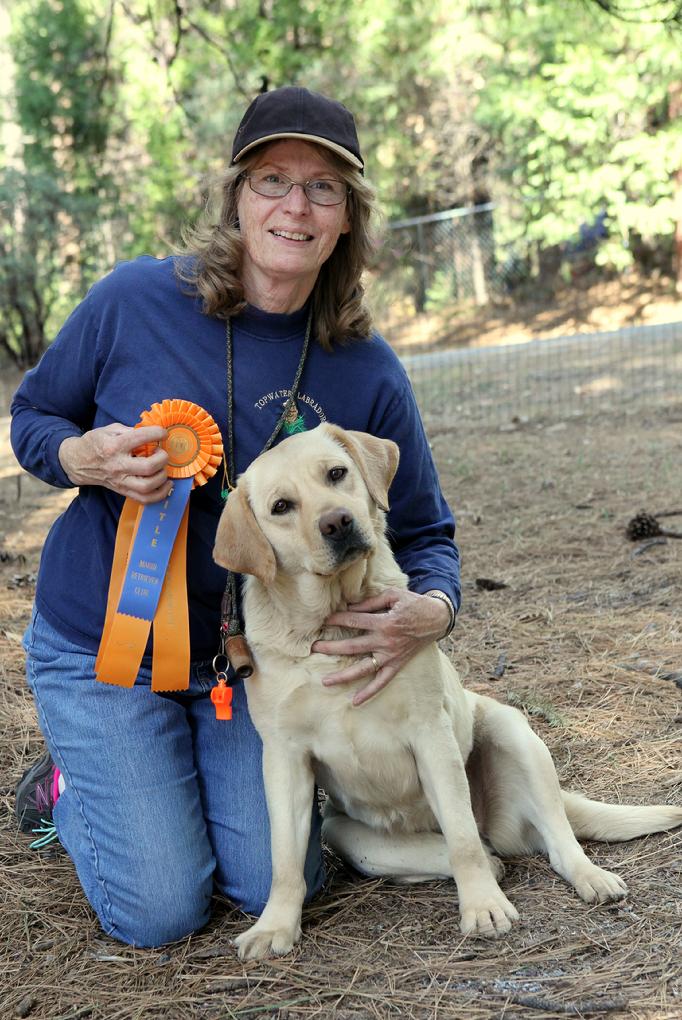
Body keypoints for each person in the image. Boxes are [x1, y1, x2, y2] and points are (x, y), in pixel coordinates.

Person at [11, 86, 460, 948]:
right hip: (103, 649)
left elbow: (430, 533)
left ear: (346, 222)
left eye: (324, 188)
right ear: (236, 198)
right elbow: (33, 417)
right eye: (271, 179)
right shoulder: (132, 300)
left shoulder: (367, 369)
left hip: (247, 671)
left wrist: (431, 612)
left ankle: (162, 783)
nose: (295, 205)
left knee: (270, 882)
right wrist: (80, 458)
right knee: (161, 911)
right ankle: (71, 789)